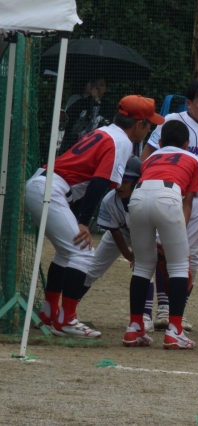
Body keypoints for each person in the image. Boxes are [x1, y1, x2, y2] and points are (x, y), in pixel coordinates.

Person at [24, 94, 163, 338]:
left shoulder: (105, 132)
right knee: (82, 251)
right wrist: (83, 223)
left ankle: (49, 314)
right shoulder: (122, 142)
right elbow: (98, 182)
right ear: (139, 124)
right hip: (52, 190)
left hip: (43, 186)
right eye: (148, 124)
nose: (149, 129)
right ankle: (66, 320)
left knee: (66, 252)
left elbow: (85, 181)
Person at [142, 79, 198, 332]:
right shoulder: (173, 120)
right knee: (159, 251)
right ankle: (151, 311)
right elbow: (148, 153)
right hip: (168, 193)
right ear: (189, 103)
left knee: (191, 255)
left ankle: (175, 311)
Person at [123, 120, 198, 349]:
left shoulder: (149, 158)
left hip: (137, 199)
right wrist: (178, 236)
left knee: (142, 266)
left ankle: (134, 328)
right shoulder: (194, 159)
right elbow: (187, 203)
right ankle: (174, 332)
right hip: (169, 197)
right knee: (178, 266)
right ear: (187, 144)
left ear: (159, 142)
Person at [78, 156, 155, 332]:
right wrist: (128, 255)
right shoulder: (109, 200)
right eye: (119, 180)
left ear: (137, 181)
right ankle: (68, 309)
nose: (121, 185)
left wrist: (139, 255)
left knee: (143, 268)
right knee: (92, 269)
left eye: (127, 180)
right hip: (119, 232)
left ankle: (145, 317)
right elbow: (114, 231)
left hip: (145, 233)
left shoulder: (147, 198)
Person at [60, 77, 116, 155]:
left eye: (101, 85)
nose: (98, 87)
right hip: (77, 143)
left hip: (97, 144)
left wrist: (97, 100)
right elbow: (69, 120)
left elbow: (107, 122)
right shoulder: (80, 103)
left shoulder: (109, 107)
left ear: (106, 89)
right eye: (95, 84)